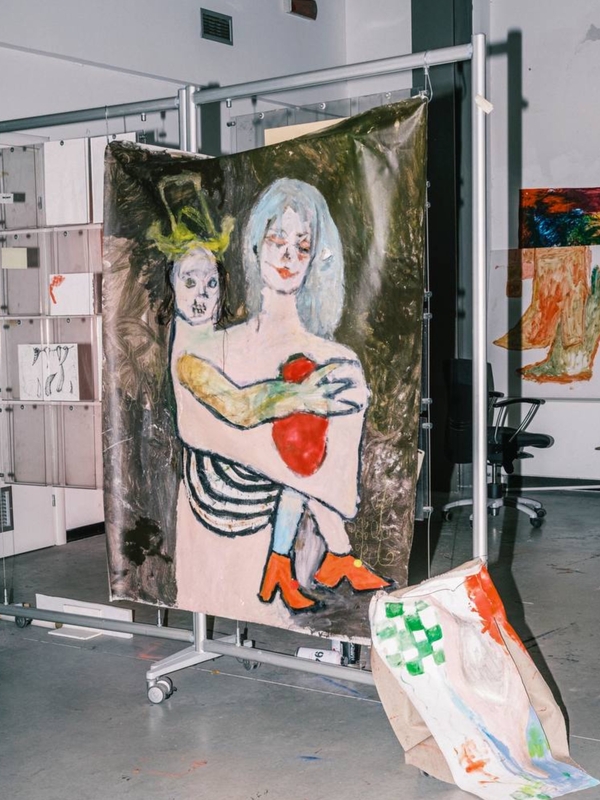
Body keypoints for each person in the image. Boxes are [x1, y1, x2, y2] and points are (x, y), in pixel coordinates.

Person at [170, 177, 391, 612]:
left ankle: (297, 561)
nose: (289, 257)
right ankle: (336, 553)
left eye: (302, 247)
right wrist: (297, 398)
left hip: (279, 493)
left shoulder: (336, 358)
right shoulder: (211, 350)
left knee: (328, 394)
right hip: (220, 503)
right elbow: (226, 415)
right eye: (277, 241)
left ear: (317, 259)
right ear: (256, 245)